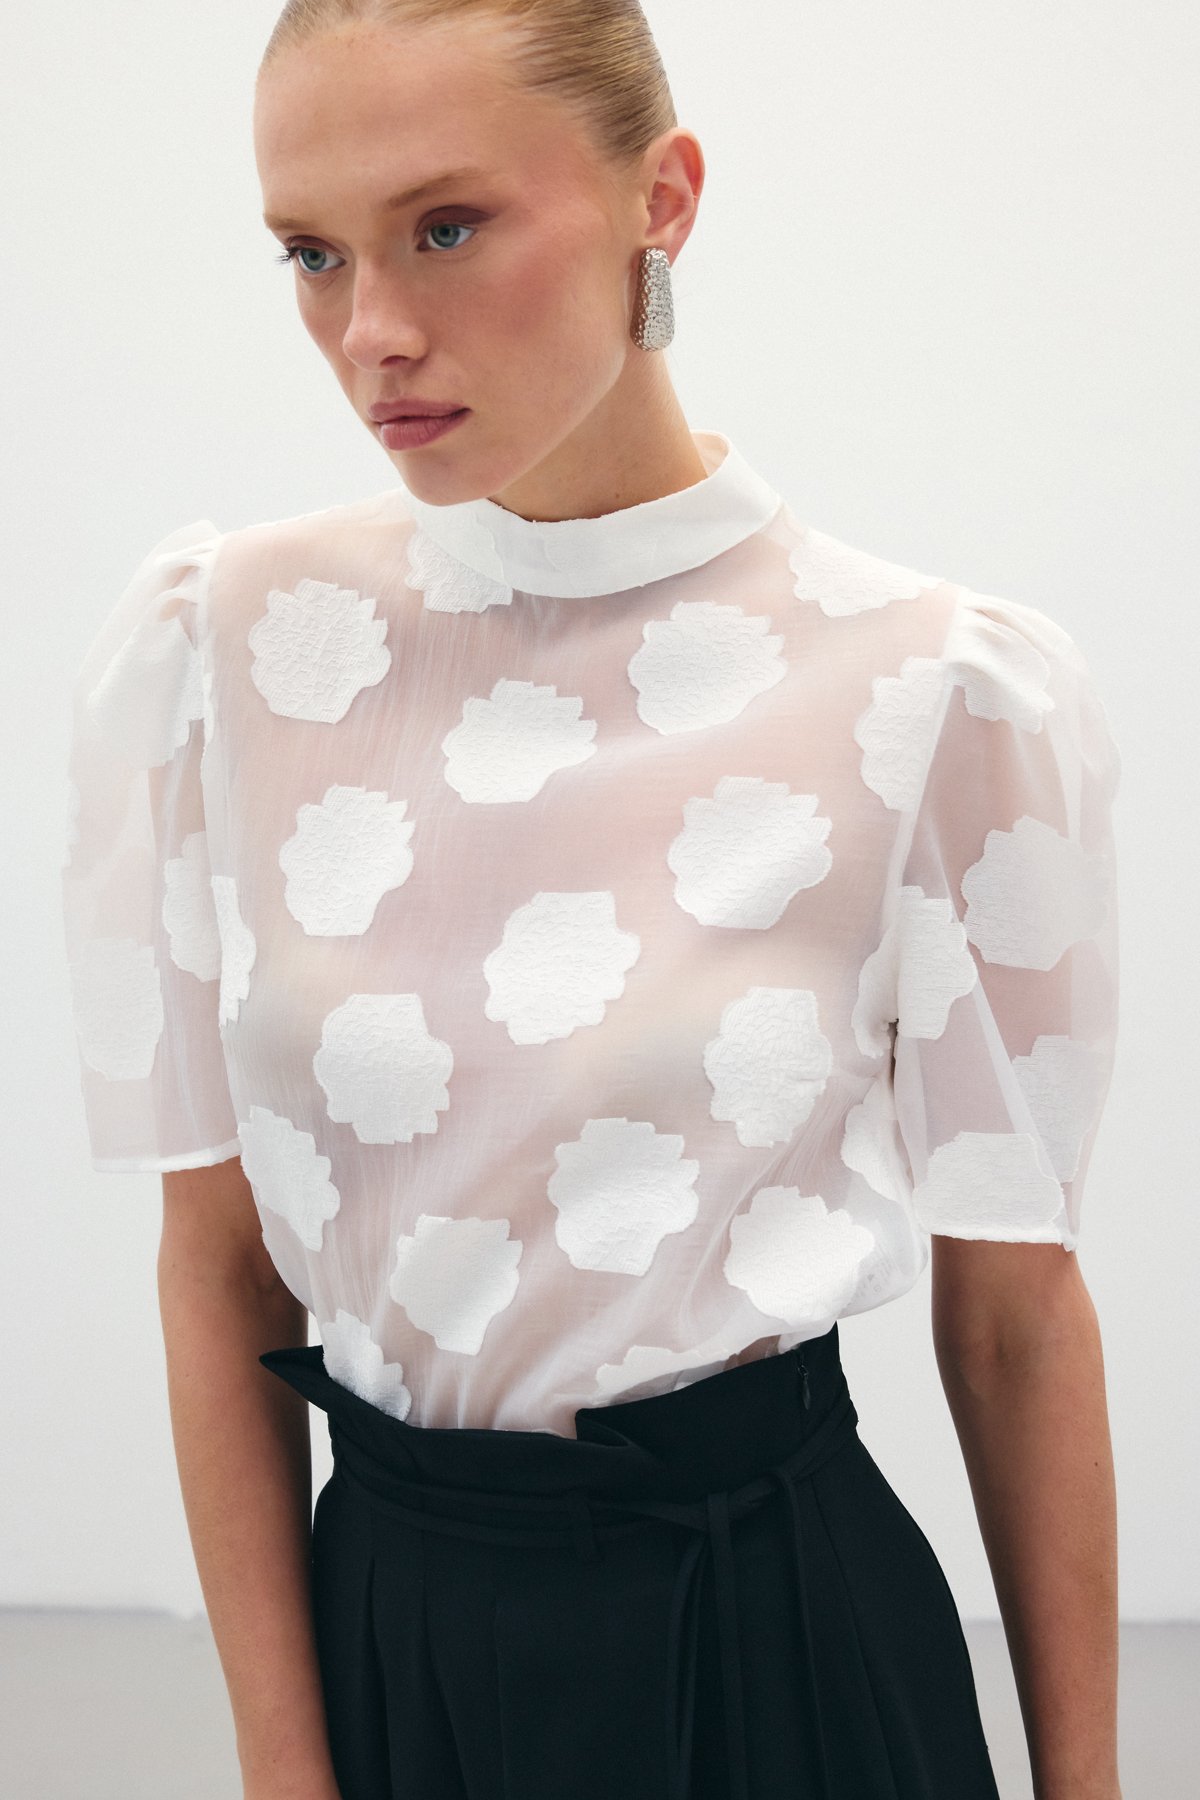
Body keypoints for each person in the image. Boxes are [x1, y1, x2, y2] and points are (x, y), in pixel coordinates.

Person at [60, 3, 1124, 1798]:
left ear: (665, 198)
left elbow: (1015, 1315)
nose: (370, 330)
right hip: (389, 1645)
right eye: (311, 255)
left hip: (776, 1655)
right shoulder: (226, 650)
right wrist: (283, 1767)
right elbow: (219, 1258)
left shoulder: (935, 691)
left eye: (445, 227)